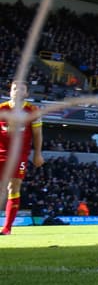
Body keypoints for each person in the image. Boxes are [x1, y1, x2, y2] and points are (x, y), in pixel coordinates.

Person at [0, 80, 43, 235]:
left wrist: (37, 153)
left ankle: (7, 228)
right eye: (14, 88)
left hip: (20, 155)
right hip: (0, 153)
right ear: (10, 91)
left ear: (26, 93)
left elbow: (37, 135)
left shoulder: (33, 111)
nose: (17, 91)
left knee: (14, 186)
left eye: (21, 89)